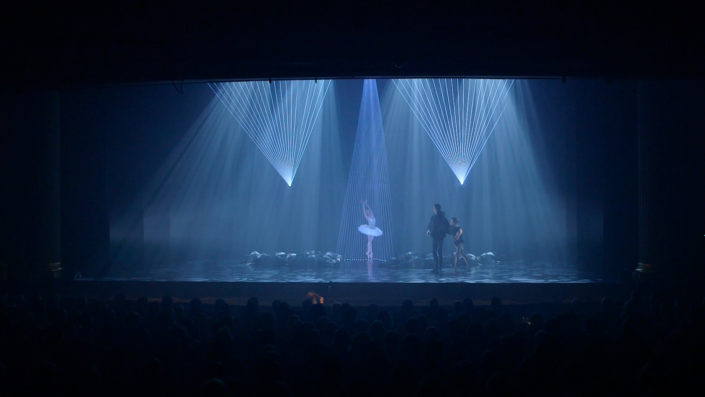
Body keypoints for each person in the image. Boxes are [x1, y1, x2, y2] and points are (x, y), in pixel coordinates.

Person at [426, 203, 449, 271]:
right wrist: (428, 230)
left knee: (439, 251)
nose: (434, 210)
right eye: (434, 208)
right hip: (434, 236)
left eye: (435, 208)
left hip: (440, 236)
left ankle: (439, 266)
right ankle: (436, 266)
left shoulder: (442, 217)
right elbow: (430, 225)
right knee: (434, 251)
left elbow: (446, 225)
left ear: (438, 209)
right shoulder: (433, 217)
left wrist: (450, 231)